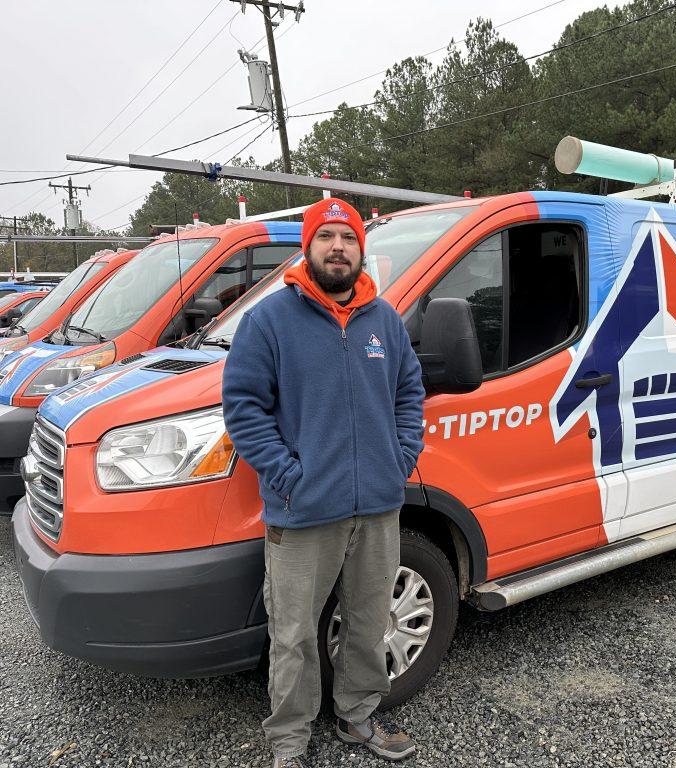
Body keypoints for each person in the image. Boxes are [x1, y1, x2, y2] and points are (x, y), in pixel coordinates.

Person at [223, 198, 426, 767]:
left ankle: (357, 717)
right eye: (327, 237)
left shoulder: (383, 319)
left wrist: (401, 455)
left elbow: (410, 392)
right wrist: (290, 476)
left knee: (367, 620)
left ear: (361, 250)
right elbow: (242, 409)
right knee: (292, 634)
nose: (339, 247)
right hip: (303, 509)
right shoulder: (269, 321)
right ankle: (289, 738)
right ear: (307, 248)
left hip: (379, 505)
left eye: (348, 238)